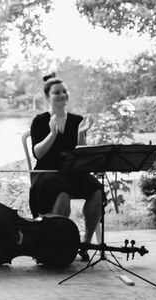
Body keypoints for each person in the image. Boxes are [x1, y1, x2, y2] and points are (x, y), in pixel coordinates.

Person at [28, 73, 104, 259]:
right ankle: (56, 242)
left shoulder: (77, 120)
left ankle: (85, 243)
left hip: (72, 172)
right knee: (61, 192)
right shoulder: (40, 121)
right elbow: (37, 153)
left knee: (97, 190)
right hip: (47, 174)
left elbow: (82, 154)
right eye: (56, 92)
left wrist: (80, 135)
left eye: (64, 91)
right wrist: (52, 134)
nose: (62, 95)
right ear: (48, 97)